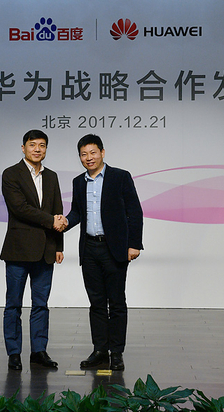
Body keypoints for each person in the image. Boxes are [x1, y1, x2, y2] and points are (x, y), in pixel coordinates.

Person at [64, 134, 143, 371]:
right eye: (83, 154)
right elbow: (77, 213)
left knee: (116, 302)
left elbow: (134, 212)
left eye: (93, 152)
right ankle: (100, 350)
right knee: (96, 302)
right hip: (89, 249)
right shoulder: (79, 182)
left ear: (102, 153)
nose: (88, 158)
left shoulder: (120, 177)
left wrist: (134, 244)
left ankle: (116, 352)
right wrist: (64, 222)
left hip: (114, 248)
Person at [0, 129, 67, 371]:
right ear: (23, 148)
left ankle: (39, 351)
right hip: (18, 250)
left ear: (46, 149)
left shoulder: (52, 176)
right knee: (13, 305)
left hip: (46, 250)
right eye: (32, 145)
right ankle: (14, 353)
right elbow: (19, 208)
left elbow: (58, 210)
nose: (37, 149)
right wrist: (51, 221)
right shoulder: (11, 174)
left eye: (42, 145)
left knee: (41, 305)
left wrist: (59, 245)